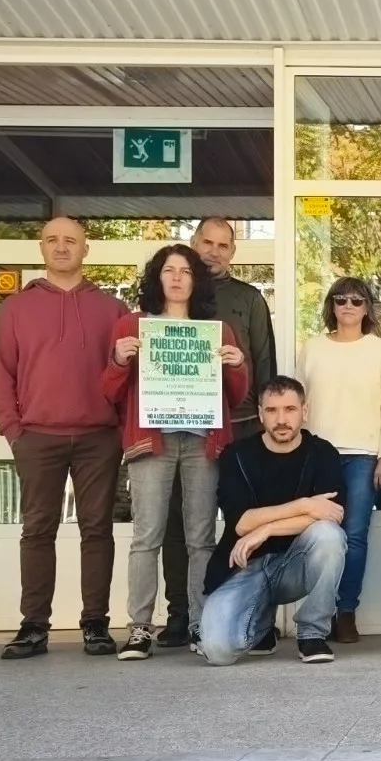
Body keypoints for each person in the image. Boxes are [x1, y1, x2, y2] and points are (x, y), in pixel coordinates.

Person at [0, 217, 130, 659]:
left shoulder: (113, 310)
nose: (61, 247)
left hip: (98, 438)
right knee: (37, 531)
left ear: (87, 250)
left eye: (71, 240)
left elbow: (130, 376)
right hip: (37, 437)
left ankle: (95, 624)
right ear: (42, 248)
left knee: (97, 531)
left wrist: (122, 431)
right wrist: (14, 431)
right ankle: (33, 626)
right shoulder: (15, 309)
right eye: (52, 240)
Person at [102, 244, 250, 660]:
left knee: (201, 538)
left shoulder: (216, 330)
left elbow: (235, 398)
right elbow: (109, 391)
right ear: (157, 277)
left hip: (203, 441)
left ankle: (201, 624)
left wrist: (236, 365)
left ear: (196, 280)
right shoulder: (132, 326)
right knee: (146, 537)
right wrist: (118, 359)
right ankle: (140, 627)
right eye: (169, 270)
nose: (178, 277)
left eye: (186, 270)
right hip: (153, 440)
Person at [157, 218, 276, 648]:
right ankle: (181, 615)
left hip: (241, 426)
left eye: (223, 245)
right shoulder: (167, 294)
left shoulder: (248, 299)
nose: (214, 251)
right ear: (193, 243)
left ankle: (254, 617)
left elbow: (265, 364)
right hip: (180, 425)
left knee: (248, 520)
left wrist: (266, 425)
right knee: (180, 522)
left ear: (233, 252)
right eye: (206, 242)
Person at [199, 376, 346, 665]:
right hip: (246, 565)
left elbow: (333, 513)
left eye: (290, 409)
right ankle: (261, 626)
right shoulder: (237, 454)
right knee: (217, 651)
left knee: (329, 536)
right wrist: (305, 506)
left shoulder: (322, 453)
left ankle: (312, 633)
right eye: (272, 410)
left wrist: (266, 528)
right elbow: (241, 523)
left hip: (295, 564)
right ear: (260, 413)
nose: (281, 419)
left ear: (305, 411)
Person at [296, 277, 381, 644]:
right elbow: (299, 405)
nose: (348, 306)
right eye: (340, 300)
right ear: (331, 305)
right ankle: (317, 614)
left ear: (367, 308)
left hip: (363, 455)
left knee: (355, 536)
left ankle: (346, 611)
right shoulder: (311, 349)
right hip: (317, 452)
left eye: (357, 301)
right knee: (317, 534)